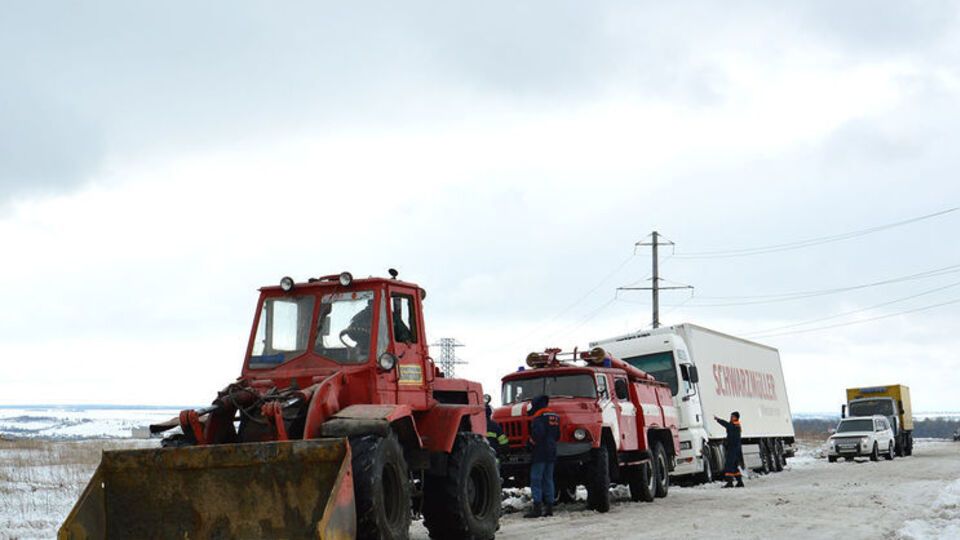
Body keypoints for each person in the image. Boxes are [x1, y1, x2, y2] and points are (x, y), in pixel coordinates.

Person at [524, 395, 560, 518]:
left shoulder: (538, 417)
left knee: (536, 479)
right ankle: (549, 507)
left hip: (540, 452)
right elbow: (557, 435)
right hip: (552, 451)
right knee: (548, 479)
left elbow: (538, 434)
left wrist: (530, 443)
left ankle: (537, 508)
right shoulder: (554, 416)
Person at [715, 411, 744, 488]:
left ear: (736, 417)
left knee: (729, 465)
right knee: (734, 466)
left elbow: (726, 425)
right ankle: (740, 482)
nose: (731, 418)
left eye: (732, 416)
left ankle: (730, 482)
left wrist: (718, 420)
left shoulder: (734, 425)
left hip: (733, 448)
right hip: (735, 448)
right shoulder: (736, 424)